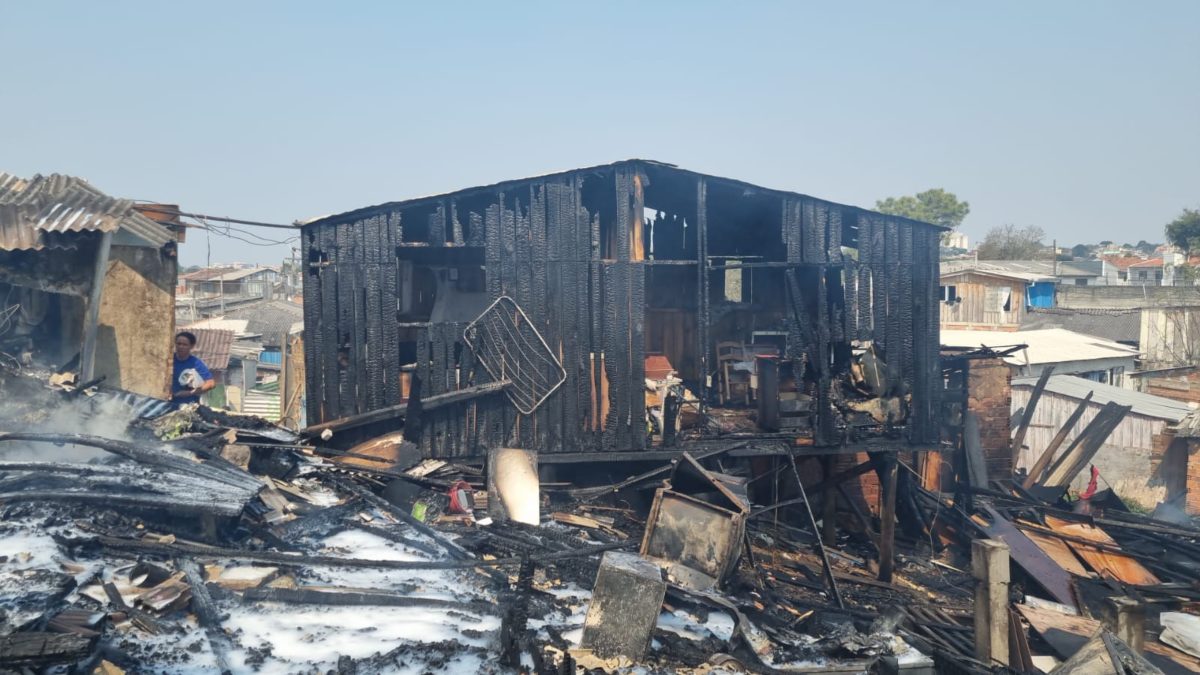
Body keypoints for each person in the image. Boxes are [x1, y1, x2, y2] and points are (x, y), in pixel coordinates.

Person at [172, 331, 215, 406]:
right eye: (178, 344)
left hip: (188, 405)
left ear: (191, 346)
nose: (181, 347)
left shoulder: (195, 363)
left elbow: (211, 383)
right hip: (167, 403)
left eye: (185, 344)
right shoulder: (168, 360)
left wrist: (189, 393)